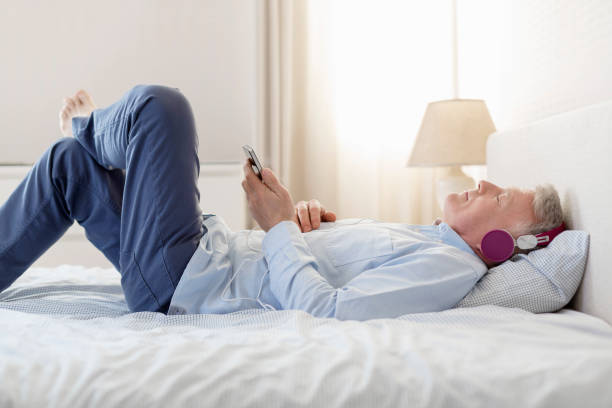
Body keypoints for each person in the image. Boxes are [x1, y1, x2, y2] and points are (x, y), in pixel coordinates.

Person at [0, 85, 563, 320]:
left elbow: (329, 313)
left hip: (188, 278)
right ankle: (81, 138)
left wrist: (277, 228)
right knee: (68, 167)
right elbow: (331, 279)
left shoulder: (452, 266)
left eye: (503, 195)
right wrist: (302, 226)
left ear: (508, 242)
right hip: (204, 256)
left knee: (162, 110)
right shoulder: (430, 238)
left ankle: (85, 124)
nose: (486, 185)